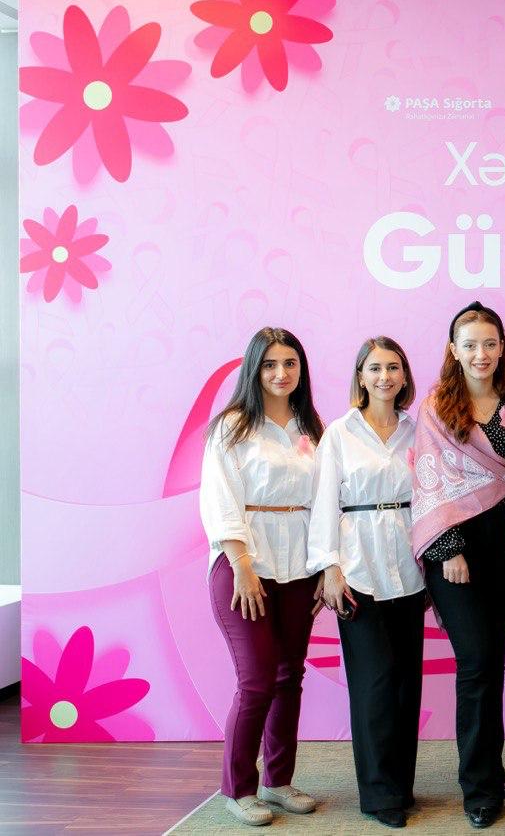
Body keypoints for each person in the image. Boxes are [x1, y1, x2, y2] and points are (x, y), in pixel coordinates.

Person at [411, 303, 505, 829]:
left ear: (502, 347)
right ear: (453, 350)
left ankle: (490, 770)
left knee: (491, 663)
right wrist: (449, 549)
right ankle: (479, 790)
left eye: (490, 343)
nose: (480, 353)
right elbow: (429, 480)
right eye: (470, 344)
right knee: (477, 662)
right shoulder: (437, 407)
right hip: (455, 549)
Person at [200, 327, 325, 827]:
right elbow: (220, 499)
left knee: (289, 677)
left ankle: (277, 781)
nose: (280, 373)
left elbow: (325, 503)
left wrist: (324, 568)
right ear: (254, 369)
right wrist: (242, 566)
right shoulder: (232, 427)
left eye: (290, 363)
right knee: (256, 682)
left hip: (299, 568)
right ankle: (237, 788)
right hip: (244, 567)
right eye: (270, 364)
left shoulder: (310, 427)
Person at [308, 337, 422, 829]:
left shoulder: (418, 430)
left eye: (393, 367)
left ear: (404, 375)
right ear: (360, 376)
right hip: (358, 571)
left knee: (405, 685)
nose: (384, 376)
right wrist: (329, 568)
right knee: (373, 685)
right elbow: (323, 503)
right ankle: (378, 795)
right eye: (374, 368)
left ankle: (402, 786)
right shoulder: (339, 433)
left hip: (409, 568)